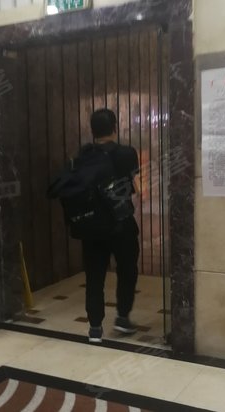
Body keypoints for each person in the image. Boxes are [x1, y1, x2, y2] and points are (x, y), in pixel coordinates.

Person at [83, 108, 140, 343]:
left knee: (94, 276)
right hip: (121, 224)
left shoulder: (83, 155)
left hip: (92, 226)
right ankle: (123, 318)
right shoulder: (127, 153)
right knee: (127, 270)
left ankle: (95, 328)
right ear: (114, 128)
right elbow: (138, 188)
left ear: (92, 130)